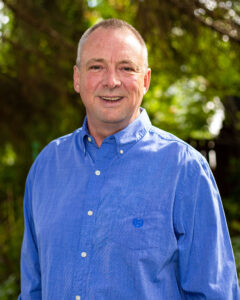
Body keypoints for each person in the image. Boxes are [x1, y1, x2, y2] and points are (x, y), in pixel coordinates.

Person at [19, 18, 240, 300]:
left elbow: (215, 294)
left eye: (126, 68)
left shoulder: (184, 170)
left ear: (145, 80)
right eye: (96, 67)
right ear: (77, 78)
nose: (111, 81)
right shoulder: (46, 167)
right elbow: (32, 289)